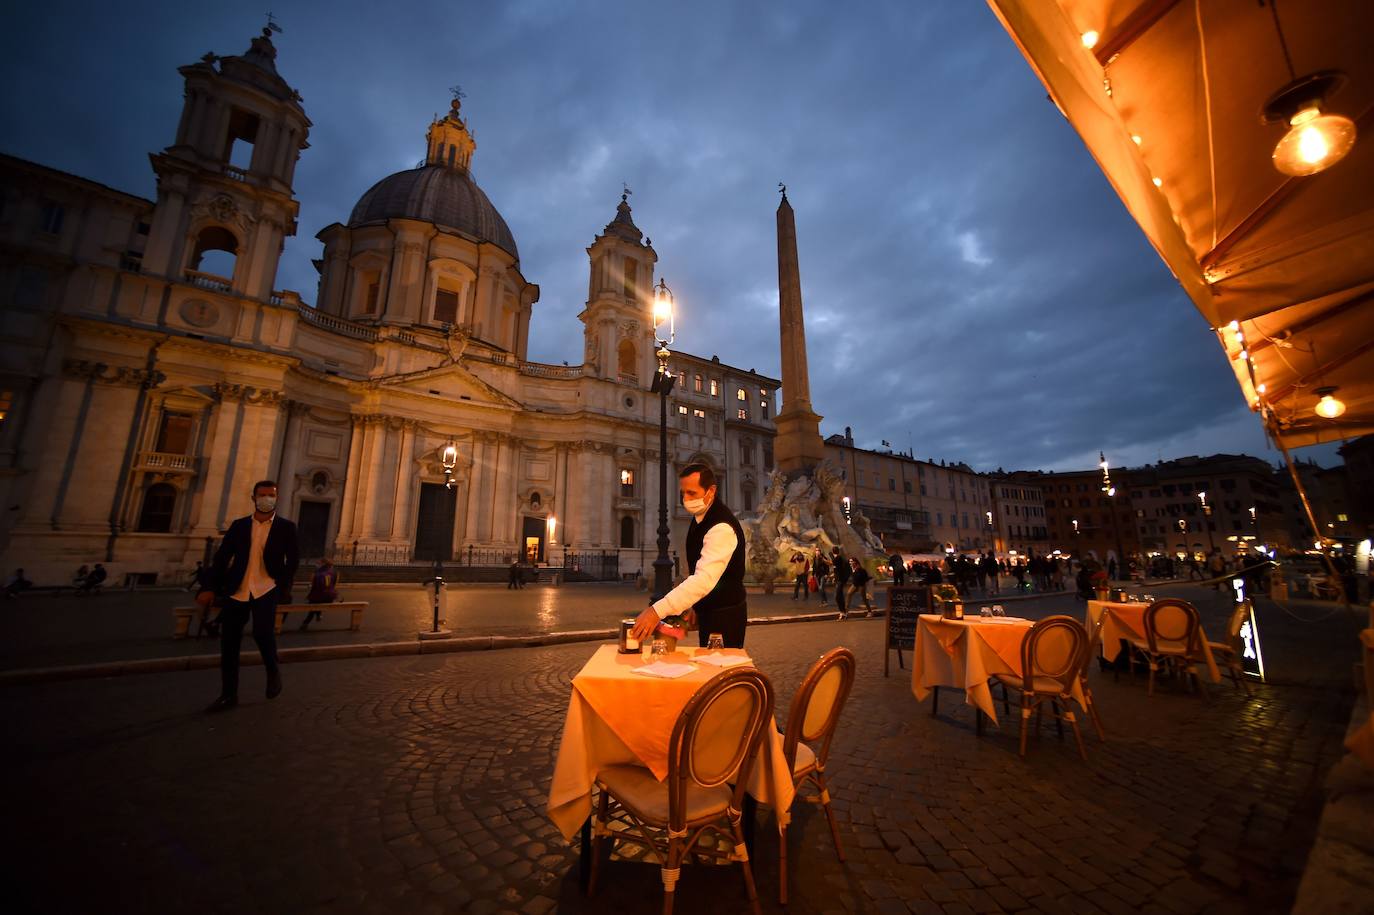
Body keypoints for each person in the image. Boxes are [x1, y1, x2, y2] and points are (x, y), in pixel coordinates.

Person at [197, 480, 299, 713]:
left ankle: (273, 670)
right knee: (229, 642)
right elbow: (221, 559)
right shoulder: (239, 526)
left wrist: (282, 585)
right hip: (239, 589)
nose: (266, 499)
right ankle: (228, 694)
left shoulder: (286, 527)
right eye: (262, 495)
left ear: (277, 498)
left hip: (266, 587)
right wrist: (208, 587)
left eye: (271, 495)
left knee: (263, 633)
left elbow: (293, 561)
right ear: (253, 498)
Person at [630, 463, 748, 649]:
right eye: (683, 493)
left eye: (691, 493)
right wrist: (697, 605)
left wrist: (656, 611)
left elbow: (703, 580)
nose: (685, 499)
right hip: (710, 612)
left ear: (711, 491)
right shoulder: (701, 517)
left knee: (721, 671)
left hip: (726, 616)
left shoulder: (721, 527)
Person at [300, 558, 338, 630]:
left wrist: (308, 596)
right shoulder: (334, 572)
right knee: (316, 601)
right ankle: (318, 614)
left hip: (319, 597)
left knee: (313, 604)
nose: (317, 564)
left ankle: (306, 623)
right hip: (330, 597)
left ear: (323, 564)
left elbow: (315, 588)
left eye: (318, 563)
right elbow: (333, 585)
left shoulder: (318, 573)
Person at [832, 547, 851, 614]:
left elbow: (836, 568)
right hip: (840, 579)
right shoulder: (839, 558)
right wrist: (834, 577)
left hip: (840, 580)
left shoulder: (837, 559)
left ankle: (842, 611)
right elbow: (837, 570)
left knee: (837, 596)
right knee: (840, 595)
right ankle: (843, 611)